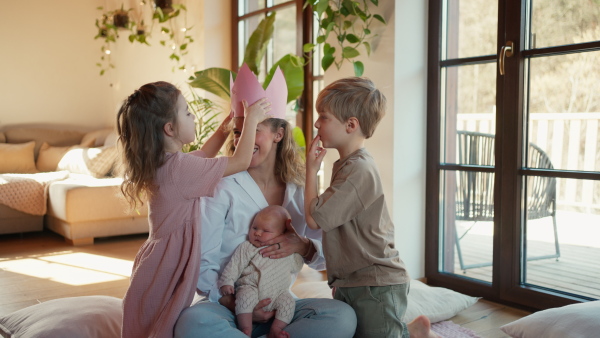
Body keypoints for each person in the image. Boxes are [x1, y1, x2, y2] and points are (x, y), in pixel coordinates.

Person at [174, 64, 357, 338]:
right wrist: (236, 304)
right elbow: (202, 264)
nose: (241, 140)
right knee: (191, 323)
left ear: (278, 135)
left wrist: (304, 246)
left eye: (253, 129)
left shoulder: (297, 188)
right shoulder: (221, 185)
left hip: (279, 308)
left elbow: (323, 259)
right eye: (238, 131)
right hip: (226, 305)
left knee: (342, 317)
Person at [117, 81, 272, 338]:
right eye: (187, 112)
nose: (193, 117)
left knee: (153, 321)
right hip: (166, 263)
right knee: (159, 322)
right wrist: (252, 121)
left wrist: (225, 130)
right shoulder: (180, 170)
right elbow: (241, 161)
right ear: (170, 129)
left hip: (158, 259)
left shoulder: (168, 162)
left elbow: (204, 154)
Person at [304, 77, 439, 338]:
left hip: (376, 283)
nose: (316, 123)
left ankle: (415, 333)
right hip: (356, 279)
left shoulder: (358, 170)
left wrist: (310, 170)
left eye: (324, 117)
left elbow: (313, 219)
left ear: (351, 124)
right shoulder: (348, 164)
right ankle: (410, 331)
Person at [218, 205, 304, 338]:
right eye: (255, 228)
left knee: (288, 303)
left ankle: (275, 329)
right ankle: (246, 328)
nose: (257, 233)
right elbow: (235, 265)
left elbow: (297, 266)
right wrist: (227, 282)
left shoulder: (286, 251)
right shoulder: (248, 247)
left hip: (278, 293)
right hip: (251, 286)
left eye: (265, 230)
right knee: (244, 298)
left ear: (282, 235)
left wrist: (297, 248)